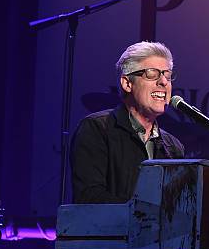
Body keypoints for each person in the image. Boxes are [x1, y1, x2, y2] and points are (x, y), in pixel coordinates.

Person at [70, 41, 185, 203]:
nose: (164, 82)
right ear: (127, 83)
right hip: (110, 228)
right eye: (152, 74)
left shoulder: (173, 147)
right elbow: (89, 196)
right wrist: (145, 212)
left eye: (167, 75)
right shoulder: (96, 129)